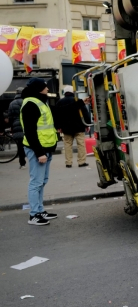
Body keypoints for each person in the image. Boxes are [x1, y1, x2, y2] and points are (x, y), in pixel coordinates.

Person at [20, 78, 58, 226]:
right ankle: (34, 215)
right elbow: (30, 131)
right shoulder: (31, 103)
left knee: (42, 182)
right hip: (38, 149)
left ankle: (40, 210)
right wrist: (39, 152)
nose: (47, 89)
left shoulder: (40, 101)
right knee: (36, 182)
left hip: (45, 148)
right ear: (38, 89)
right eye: (45, 87)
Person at [55, 85, 91, 168]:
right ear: (73, 92)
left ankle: (68, 163)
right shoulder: (77, 101)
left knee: (67, 145)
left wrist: (58, 127)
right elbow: (85, 113)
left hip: (66, 127)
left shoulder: (59, 102)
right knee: (81, 144)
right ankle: (81, 162)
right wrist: (87, 124)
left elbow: (57, 116)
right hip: (79, 126)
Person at [8, 87, 27, 168]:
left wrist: (11, 126)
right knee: (29, 143)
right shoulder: (26, 102)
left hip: (16, 125)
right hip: (26, 125)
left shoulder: (12, 103)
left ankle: (22, 163)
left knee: (20, 145)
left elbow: (10, 116)